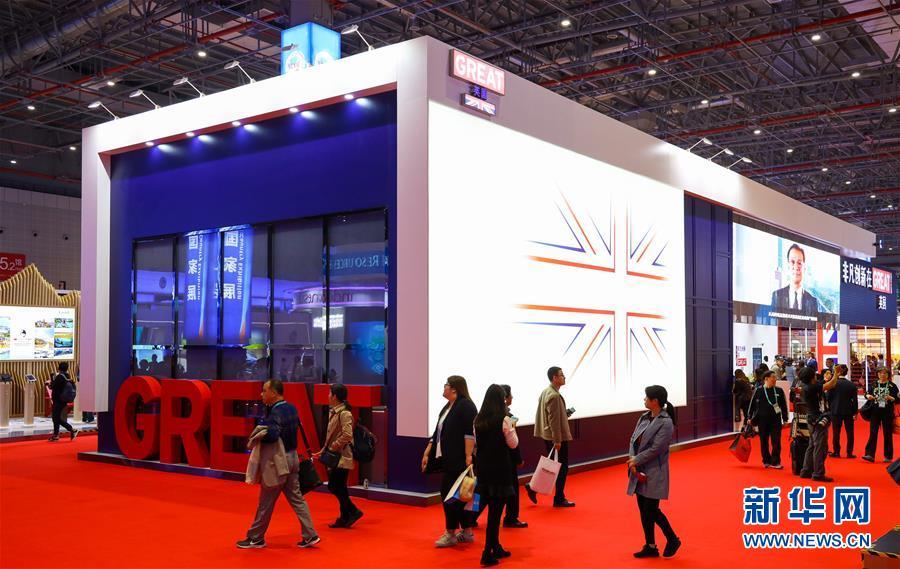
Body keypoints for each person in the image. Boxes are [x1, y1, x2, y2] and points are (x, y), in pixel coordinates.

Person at [237, 379, 319, 549]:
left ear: (273, 393)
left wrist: (260, 432)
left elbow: (273, 435)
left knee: (266, 502)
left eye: (264, 390)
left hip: (278, 461)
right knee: (297, 499)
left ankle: (256, 537)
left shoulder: (275, 412)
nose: (261, 394)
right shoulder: (292, 408)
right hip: (293, 458)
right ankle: (310, 535)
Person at [421, 376, 478, 548]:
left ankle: (451, 532)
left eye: (446, 385)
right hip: (448, 458)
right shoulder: (447, 407)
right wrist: (428, 451)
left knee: (454, 495)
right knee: (459, 495)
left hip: (459, 460)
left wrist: (468, 456)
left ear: (454, 388)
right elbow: (437, 433)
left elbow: (469, 433)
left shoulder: (466, 406)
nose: (444, 387)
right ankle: (466, 531)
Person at [627, 385, 681, 558]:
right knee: (643, 510)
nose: (644, 400)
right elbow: (633, 440)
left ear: (655, 401)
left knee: (651, 510)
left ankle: (672, 539)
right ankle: (650, 545)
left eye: (646, 397)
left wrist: (636, 460)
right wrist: (632, 460)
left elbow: (657, 448)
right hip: (638, 469)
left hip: (654, 471)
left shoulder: (666, 422)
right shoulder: (644, 417)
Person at [474, 385, 517, 566]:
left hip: (484, 470)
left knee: (492, 511)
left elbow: (477, 445)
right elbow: (513, 444)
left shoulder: (478, 420)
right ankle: (487, 552)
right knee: (495, 514)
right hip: (500, 470)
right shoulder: (504, 420)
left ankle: (496, 546)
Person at [313, 383, 363, 528]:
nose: (328, 396)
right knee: (339, 486)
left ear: (335, 396)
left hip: (342, 456)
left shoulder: (344, 413)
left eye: (330, 393)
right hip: (336, 455)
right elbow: (330, 436)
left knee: (334, 486)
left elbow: (347, 435)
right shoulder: (335, 411)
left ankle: (353, 511)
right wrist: (324, 450)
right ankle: (345, 516)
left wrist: (333, 446)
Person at [525, 366, 574, 508]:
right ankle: (558, 498)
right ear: (554, 378)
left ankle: (533, 487)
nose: (564, 377)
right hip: (556, 437)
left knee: (552, 466)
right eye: (562, 375)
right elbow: (553, 420)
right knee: (561, 467)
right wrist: (557, 440)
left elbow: (552, 416)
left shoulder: (546, 392)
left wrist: (564, 414)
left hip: (548, 435)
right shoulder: (554, 395)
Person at [798, 366, 837, 481]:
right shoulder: (812, 387)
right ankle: (818, 473)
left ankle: (806, 470)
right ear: (812, 377)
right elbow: (831, 385)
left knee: (812, 445)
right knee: (820, 447)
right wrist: (836, 373)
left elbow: (824, 384)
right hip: (817, 419)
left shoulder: (806, 387)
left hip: (811, 418)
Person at [747, 371, 788, 469]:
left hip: (776, 420)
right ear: (766, 379)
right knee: (764, 441)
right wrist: (749, 417)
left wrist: (785, 419)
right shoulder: (759, 391)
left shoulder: (779, 390)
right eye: (773, 377)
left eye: (775, 377)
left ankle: (775, 461)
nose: (775, 379)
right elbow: (752, 405)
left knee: (776, 441)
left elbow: (783, 406)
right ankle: (766, 460)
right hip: (762, 421)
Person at [499, 384, 527, 529]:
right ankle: (511, 517)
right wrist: (518, 459)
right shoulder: (507, 418)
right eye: (510, 395)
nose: (512, 397)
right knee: (512, 489)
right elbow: (513, 442)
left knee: (485, 492)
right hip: (507, 459)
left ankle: (471, 518)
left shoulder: (484, 415)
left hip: (490, 460)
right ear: (505, 398)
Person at [862, 367, 899, 463]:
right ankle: (869, 454)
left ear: (888, 375)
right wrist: (868, 396)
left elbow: (898, 399)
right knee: (873, 432)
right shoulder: (874, 384)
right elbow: (866, 394)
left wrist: (891, 398)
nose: (882, 375)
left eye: (885, 373)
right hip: (874, 412)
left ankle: (888, 456)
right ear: (877, 374)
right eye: (880, 373)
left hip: (887, 412)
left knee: (887, 434)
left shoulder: (892, 386)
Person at [770, 244, 821, 313]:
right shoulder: (777, 296)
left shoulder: (813, 301)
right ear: (788, 266)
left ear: (804, 268)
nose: (796, 267)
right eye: (792, 262)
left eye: (799, 263)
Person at [827, 365, 857, 458]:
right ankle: (849, 452)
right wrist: (855, 412)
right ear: (847, 372)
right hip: (848, 411)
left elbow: (828, 398)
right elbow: (854, 400)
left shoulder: (832, 384)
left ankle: (836, 452)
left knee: (836, 432)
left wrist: (830, 407)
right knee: (850, 432)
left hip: (835, 410)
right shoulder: (851, 385)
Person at [48, 362, 77, 442]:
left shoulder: (60, 377)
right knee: (56, 418)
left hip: (58, 400)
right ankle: (56, 435)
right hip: (63, 400)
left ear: (59, 368)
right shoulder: (67, 376)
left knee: (56, 418)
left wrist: (51, 381)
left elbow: (53, 386)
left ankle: (71, 429)